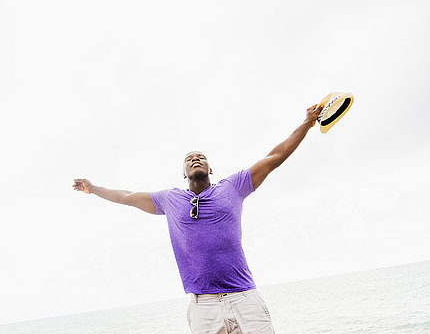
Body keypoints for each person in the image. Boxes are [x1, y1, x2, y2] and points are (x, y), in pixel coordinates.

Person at [73, 104, 324, 334]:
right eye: (189, 158)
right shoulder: (169, 199)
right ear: (183, 172)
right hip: (202, 307)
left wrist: (306, 123)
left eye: (201, 156)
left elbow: (274, 158)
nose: (195, 158)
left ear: (210, 169)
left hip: (244, 298)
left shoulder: (232, 187)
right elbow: (126, 196)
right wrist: (93, 189)